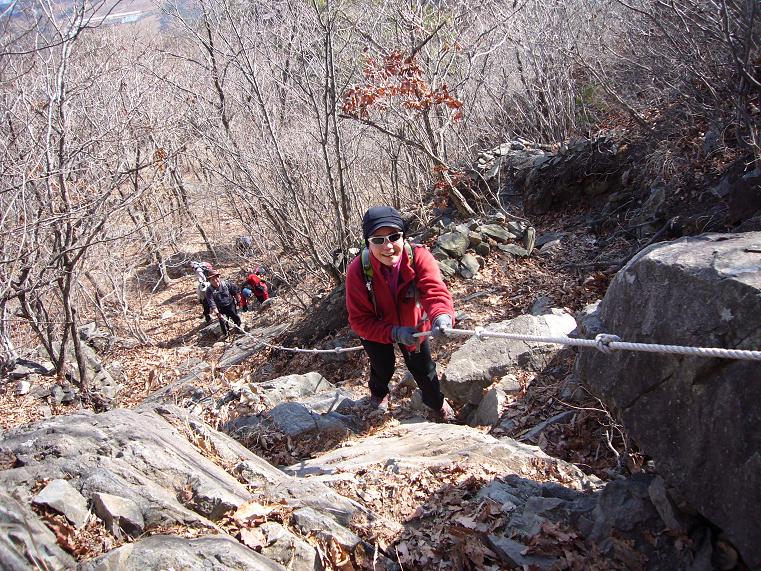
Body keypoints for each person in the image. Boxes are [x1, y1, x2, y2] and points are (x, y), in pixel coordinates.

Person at [345, 205, 456, 422]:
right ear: (368, 242)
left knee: (424, 369)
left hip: (414, 326)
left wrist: (441, 315)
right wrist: (393, 333)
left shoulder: (419, 257)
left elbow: (434, 291)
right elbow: (359, 320)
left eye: (393, 237)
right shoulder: (358, 270)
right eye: (378, 240)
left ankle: (436, 403)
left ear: (404, 237)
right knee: (382, 366)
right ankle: (379, 393)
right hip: (376, 328)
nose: (387, 246)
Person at [205, 270, 242, 336]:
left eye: (216, 278)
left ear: (219, 277)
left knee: (235, 317)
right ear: (209, 281)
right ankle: (226, 334)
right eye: (212, 280)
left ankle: (239, 328)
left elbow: (235, 292)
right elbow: (211, 303)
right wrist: (217, 313)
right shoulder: (209, 291)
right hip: (220, 308)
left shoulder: (226, 284)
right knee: (223, 321)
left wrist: (238, 301)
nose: (215, 281)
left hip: (230, 305)